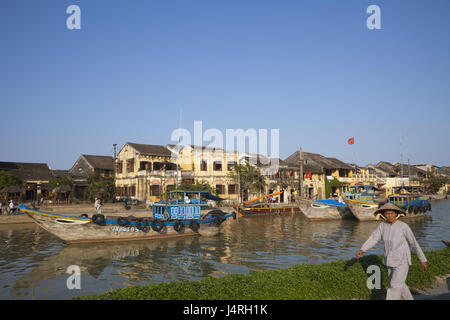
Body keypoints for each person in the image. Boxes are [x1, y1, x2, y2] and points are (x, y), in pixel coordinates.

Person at [356, 202, 428, 300]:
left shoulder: (403, 226)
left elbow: (414, 243)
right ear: (383, 215)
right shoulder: (382, 226)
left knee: (394, 286)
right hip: (389, 260)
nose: (390, 216)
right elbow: (374, 238)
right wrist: (362, 249)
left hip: (402, 260)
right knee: (399, 285)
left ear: (396, 214)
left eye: (392, 213)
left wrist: (422, 259)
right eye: (387, 214)